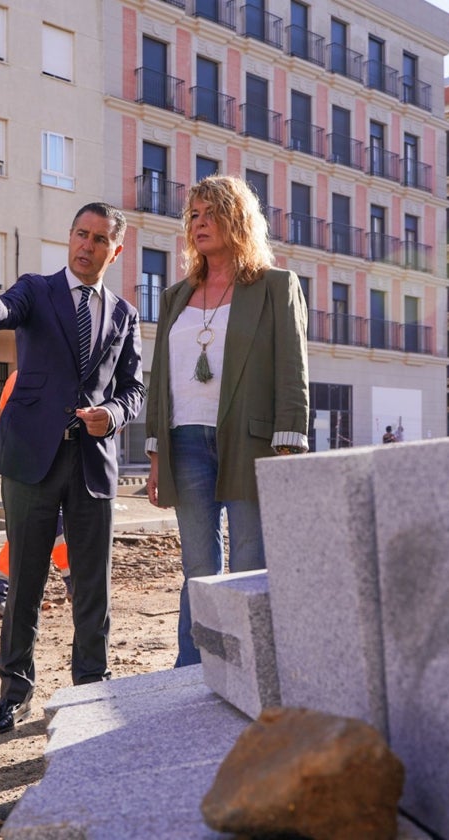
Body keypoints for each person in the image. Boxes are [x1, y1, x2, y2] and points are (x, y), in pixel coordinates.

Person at [0, 202, 146, 735]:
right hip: (32, 457)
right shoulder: (36, 288)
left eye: (99, 239)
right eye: (80, 233)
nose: (86, 245)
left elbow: (134, 390)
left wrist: (112, 414)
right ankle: (13, 692)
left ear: (114, 250)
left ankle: (91, 689)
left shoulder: (123, 314)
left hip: (92, 462)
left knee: (91, 584)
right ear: (69, 237)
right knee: (24, 580)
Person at [144, 174, 310, 668]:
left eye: (211, 213)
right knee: (197, 566)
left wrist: (287, 449)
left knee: (249, 563)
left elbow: (292, 370)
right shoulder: (176, 295)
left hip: (252, 442)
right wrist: (155, 455)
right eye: (193, 215)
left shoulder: (276, 286)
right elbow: (161, 381)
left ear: (237, 219)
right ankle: (192, 669)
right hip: (185, 441)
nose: (199, 223)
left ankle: (251, 668)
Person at [0, 371, 70, 616]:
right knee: (50, 523)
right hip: (40, 462)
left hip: (19, 460)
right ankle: (74, 580)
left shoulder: (16, 376)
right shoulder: (59, 371)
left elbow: (0, 422)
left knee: (30, 528)